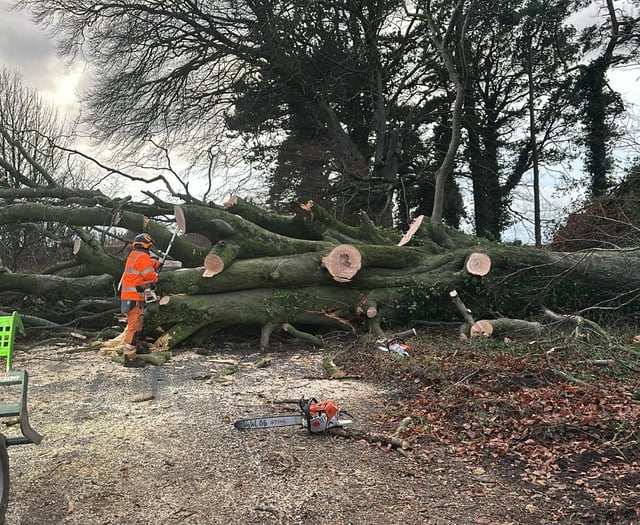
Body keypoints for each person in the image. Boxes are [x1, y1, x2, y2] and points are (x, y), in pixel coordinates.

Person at [119, 233, 161, 368]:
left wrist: (156, 264)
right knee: (134, 327)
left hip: (131, 297)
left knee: (138, 324)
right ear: (146, 245)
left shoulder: (134, 255)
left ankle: (136, 347)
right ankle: (129, 357)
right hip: (134, 297)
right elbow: (150, 275)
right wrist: (155, 277)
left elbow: (146, 266)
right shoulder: (142, 256)